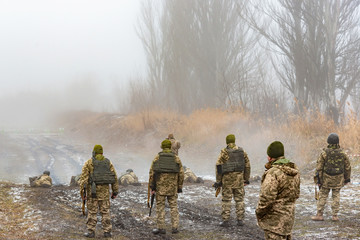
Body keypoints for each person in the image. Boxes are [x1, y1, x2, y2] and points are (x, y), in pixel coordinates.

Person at [256, 141, 300, 240]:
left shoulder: (273, 173)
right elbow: (296, 194)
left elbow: (266, 199)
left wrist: (259, 212)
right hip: (288, 220)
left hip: (274, 223)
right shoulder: (294, 170)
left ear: (270, 157)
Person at [79, 145, 119, 238]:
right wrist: (115, 191)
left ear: (94, 152)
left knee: (92, 212)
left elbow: (83, 180)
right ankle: (107, 232)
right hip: (104, 193)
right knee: (105, 212)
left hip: (92, 193)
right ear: (102, 153)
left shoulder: (89, 163)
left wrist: (82, 193)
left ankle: (91, 232)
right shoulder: (108, 162)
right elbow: (114, 177)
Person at [311, 133, 351, 221]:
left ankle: (319, 214)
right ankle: (335, 215)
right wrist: (347, 178)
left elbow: (319, 168)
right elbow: (347, 167)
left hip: (326, 179)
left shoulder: (324, 153)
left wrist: (318, 179)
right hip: (338, 179)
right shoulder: (343, 153)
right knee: (336, 196)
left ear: (328, 142)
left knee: (323, 195)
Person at [149, 139, 184, 235]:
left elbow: (152, 173)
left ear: (162, 147)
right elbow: (181, 173)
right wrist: (179, 186)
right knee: (173, 207)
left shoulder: (157, 158)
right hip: (172, 188)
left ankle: (161, 228)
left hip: (160, 188)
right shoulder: (176, 158)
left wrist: (152, 186)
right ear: (170, 147)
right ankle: (175, 227)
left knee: (160, 207)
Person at [214, 134, 251, 227]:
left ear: (227, 142)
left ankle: (225, 221)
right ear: (234, 141)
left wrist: (218, 181)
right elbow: (247, 165)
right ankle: (240, 220)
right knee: (239, 200)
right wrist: (246, 179)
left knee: (226, 200)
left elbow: (218, 167)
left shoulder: (224, 152)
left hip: (227, 180)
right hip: (239, 179)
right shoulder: (242, 151)